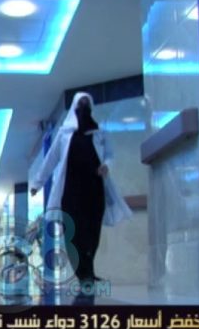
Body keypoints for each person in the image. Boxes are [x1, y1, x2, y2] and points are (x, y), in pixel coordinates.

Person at [30, 92, 132, 284]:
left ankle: (88, 271)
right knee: (73, 232)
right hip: (70, 192)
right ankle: (82, 273)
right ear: (74, 108)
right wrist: (37, 183)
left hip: (94, 190)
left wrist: (107, 166)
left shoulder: (99, 133)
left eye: (87, 105)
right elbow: (50, 160)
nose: (83, 109)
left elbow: (110, 155)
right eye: (80, 105)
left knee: (92, 232)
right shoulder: (64, 134)